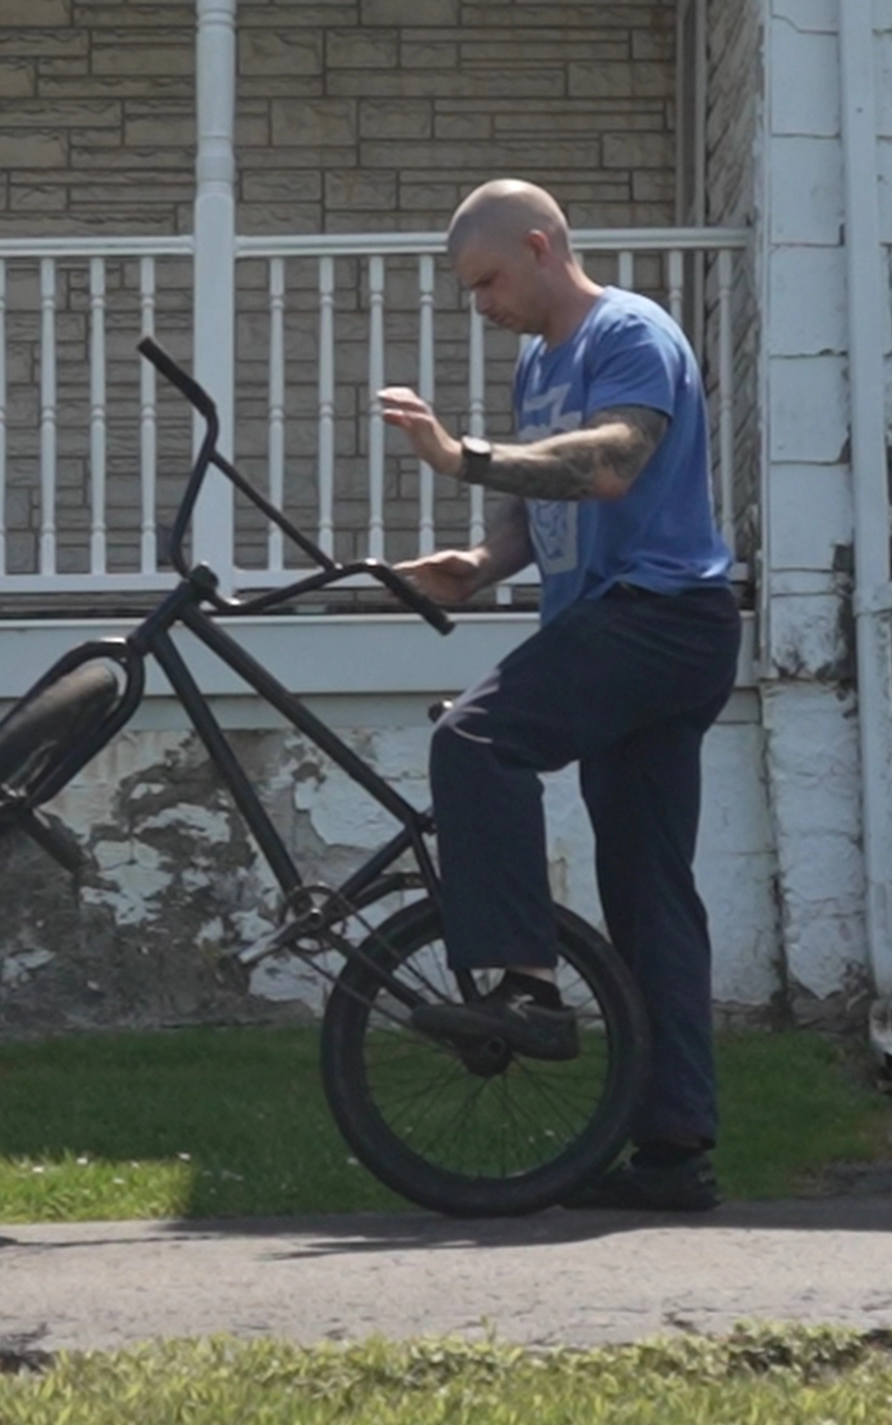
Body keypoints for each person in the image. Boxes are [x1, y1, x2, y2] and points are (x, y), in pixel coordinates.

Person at [375, 179, 741, 1212]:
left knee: (477, 741)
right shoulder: (539, 362)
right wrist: (483, 566)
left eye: (486, 281)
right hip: (625, 625)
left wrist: (463, 456)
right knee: (648, 891)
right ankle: (674, 1150)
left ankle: (523, 982)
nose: (479, 306)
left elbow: (613, 463)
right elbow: (551, 503)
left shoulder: (630, 334)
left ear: (541, 247)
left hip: (661, 618)